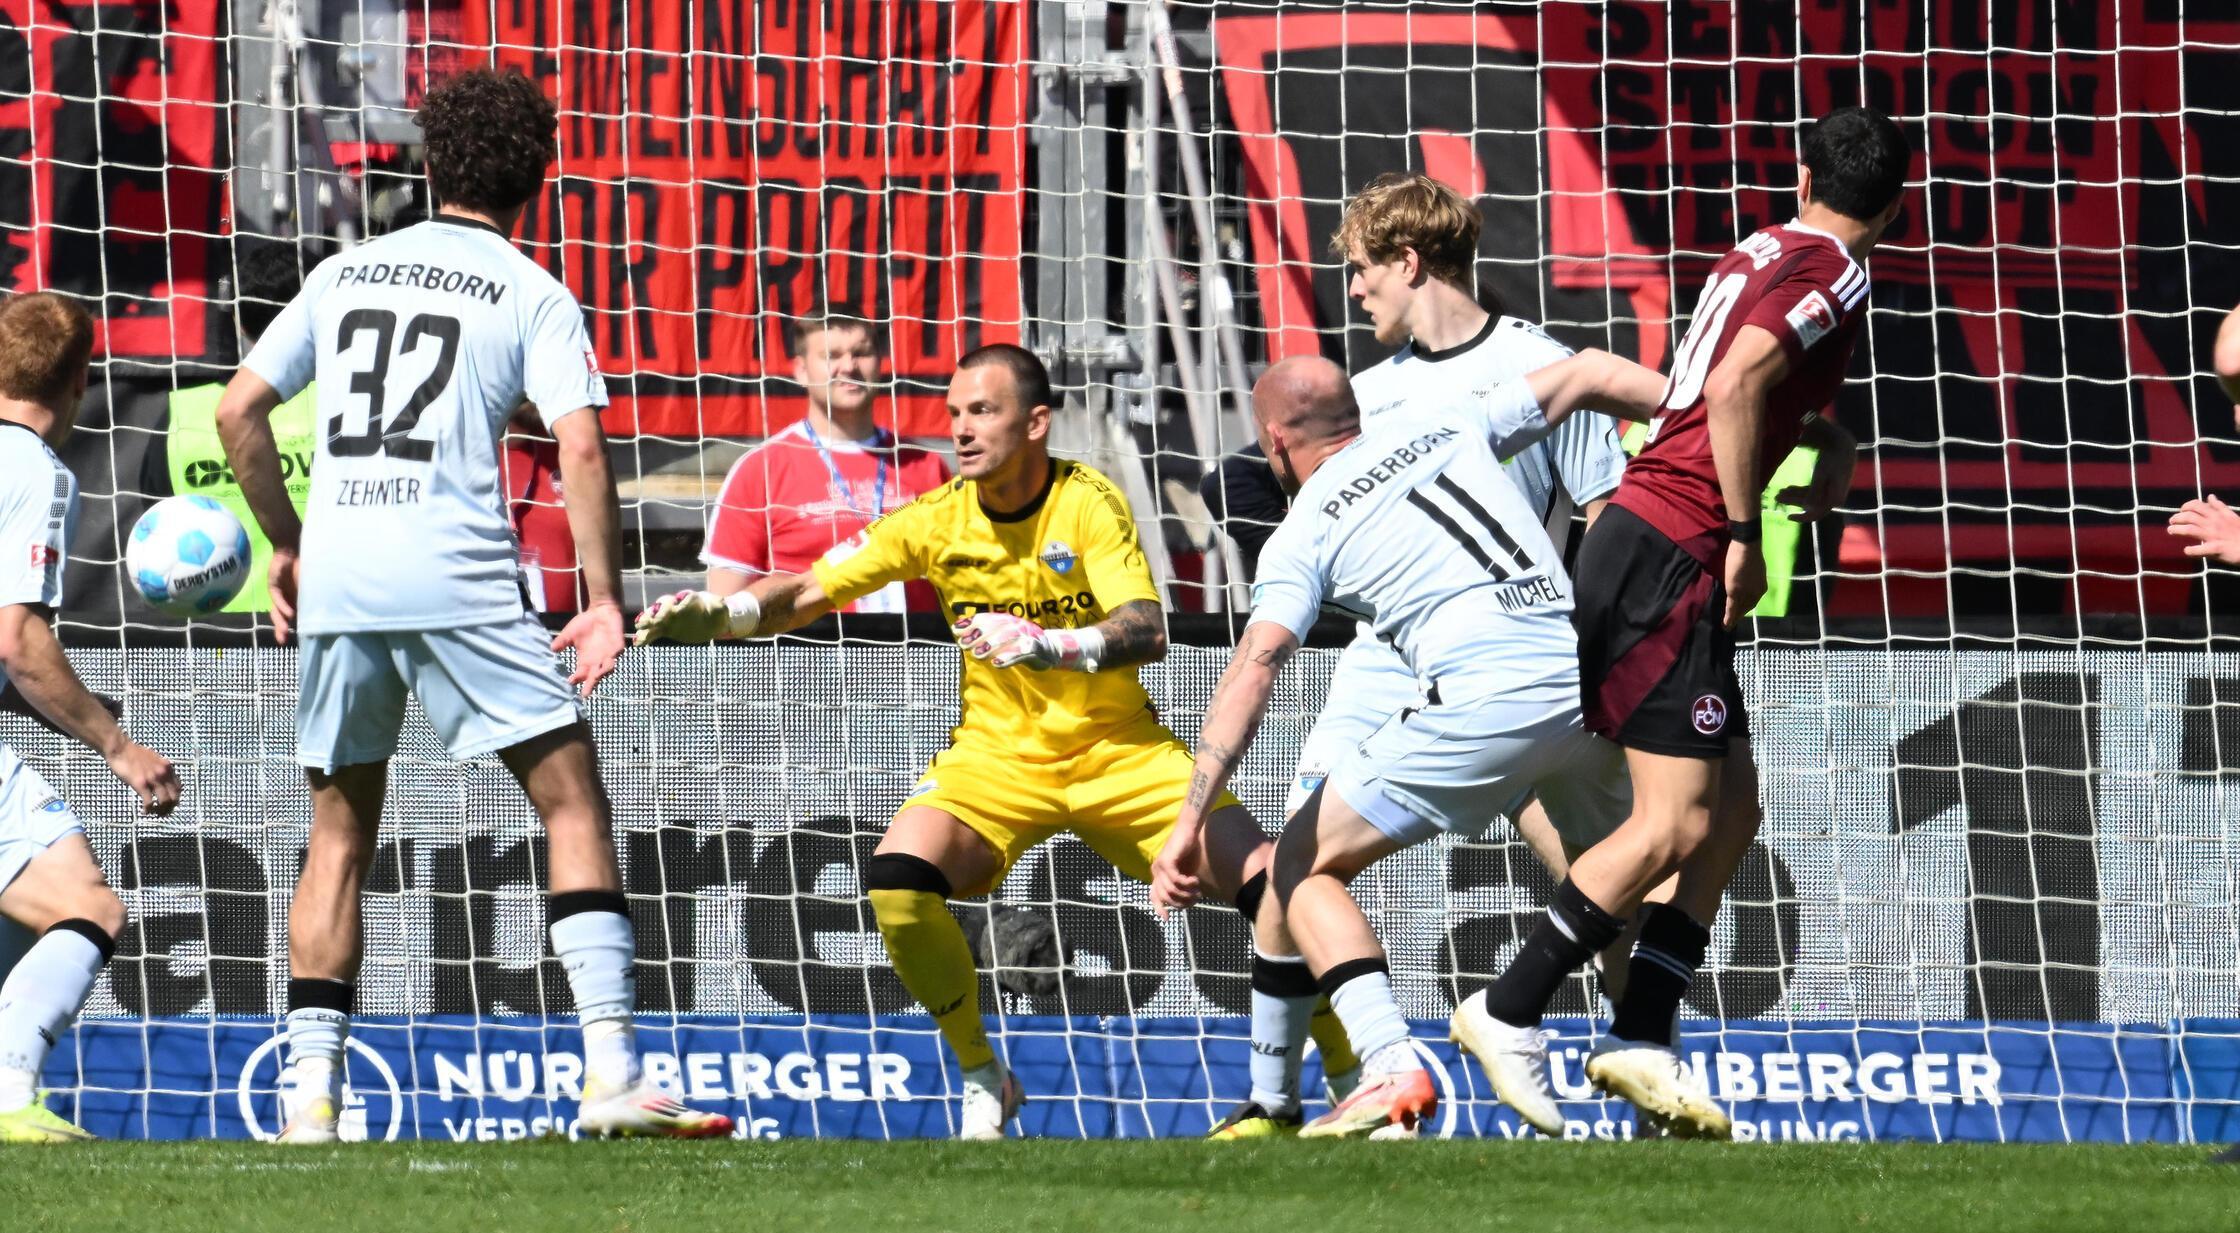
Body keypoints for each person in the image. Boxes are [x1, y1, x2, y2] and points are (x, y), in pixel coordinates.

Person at [634, 344, 1357, 1140]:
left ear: (1037, 421)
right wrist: (723, 616)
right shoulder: (937, 517)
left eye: (982, 411)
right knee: (898, 883)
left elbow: (1146, 629)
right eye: (953, 414)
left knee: (1274, 886)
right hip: (997, 759)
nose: (962, 430)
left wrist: (1050, 645)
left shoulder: (1088, 501)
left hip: (1120, 753)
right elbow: (808, 589)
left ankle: (1351, 1075)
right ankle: (984, 1072)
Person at [215, 68, 730, 1143]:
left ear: (433, 166)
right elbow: (578, 441)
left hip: (346, 578)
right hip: (453, 570)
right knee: (571, 803)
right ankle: (611, 1077)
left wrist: (290, 543)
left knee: (337, 835)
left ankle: (310, 1102)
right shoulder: (529, 287)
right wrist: (602, 599)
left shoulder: (345, 271)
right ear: (536, 178)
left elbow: (238, 411)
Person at [1469, 107, 1902, 1139]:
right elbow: (1738, 379)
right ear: (1892, 206)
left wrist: (1820, 436)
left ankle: (1640, 1031)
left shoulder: (1757, 246)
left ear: (1801, 175)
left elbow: (1723, 384)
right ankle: (1505, 1007)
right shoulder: (1840, 270)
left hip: (1639, 535)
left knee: (1731, 806)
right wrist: (1745, 529)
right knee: (1673, 822)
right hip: (1672, 547)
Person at [1154, 350, 1666, 1138]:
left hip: (1483, 700)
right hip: (1584, 679)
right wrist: (1715, 411)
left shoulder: (1305, 528)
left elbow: (1254, 669)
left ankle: (1390, 1064)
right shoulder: (1446, 417)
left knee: (1298, 862)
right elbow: (1590, 371)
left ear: (1274, 441)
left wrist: (1189, 825)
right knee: (1611, 872)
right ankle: (1642, 1055)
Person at [0, 291, 181, 1141]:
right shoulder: (35, 471)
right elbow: (19, 639)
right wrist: (115, 743)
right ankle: (8, 1097)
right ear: (80, 382)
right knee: (90, 908)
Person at [702, 308, 949, 613]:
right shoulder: (760, 469)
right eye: (832, 355)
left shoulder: (925, 465)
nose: (849, 366)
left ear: (880, 363)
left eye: (862, 353)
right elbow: (725, 606)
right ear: (801, 370)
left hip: (916, 653)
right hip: (805, 655)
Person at [142, 239, 322, 614]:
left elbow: (154, 531)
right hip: (321, 630)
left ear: (238, 319)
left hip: (213, 646)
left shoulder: (181, 415)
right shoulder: (345, 405)